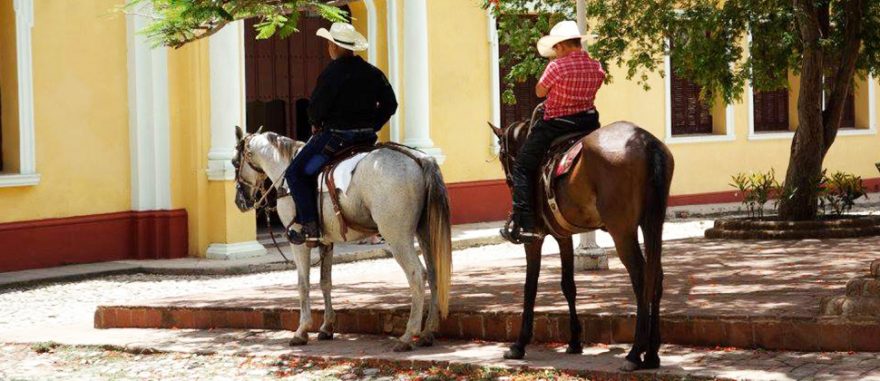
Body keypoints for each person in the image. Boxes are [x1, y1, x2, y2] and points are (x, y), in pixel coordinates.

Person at [285, 22, 398, 245]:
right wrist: (373, 125)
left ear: (334, 47)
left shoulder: (331, 73)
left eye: (329, 44)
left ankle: (311, 226)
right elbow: (391, 104)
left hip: (335, 141)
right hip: (366, 139)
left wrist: (315, 123)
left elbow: (316, 109)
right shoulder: (374, 73)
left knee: (296, 173)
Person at [500, 20, 606, 244]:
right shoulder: (596, 66)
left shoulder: (556, 66)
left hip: (557, 125)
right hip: (588, 124)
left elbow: (539, 92)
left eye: (555, 49)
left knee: (521, 166)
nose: (555, 53)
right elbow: (598, 83)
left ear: (561, 46)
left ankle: (525, 223)